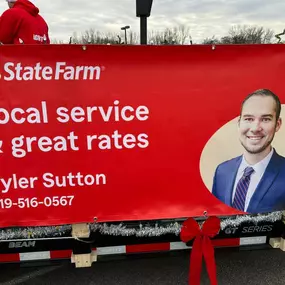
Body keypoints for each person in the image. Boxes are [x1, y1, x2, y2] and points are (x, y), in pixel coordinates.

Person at [212, 89, 285, 214]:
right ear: (239, 123)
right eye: (249, 119)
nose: (255, 128)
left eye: (266, 119)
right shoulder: (222, 171)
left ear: (277, 124)